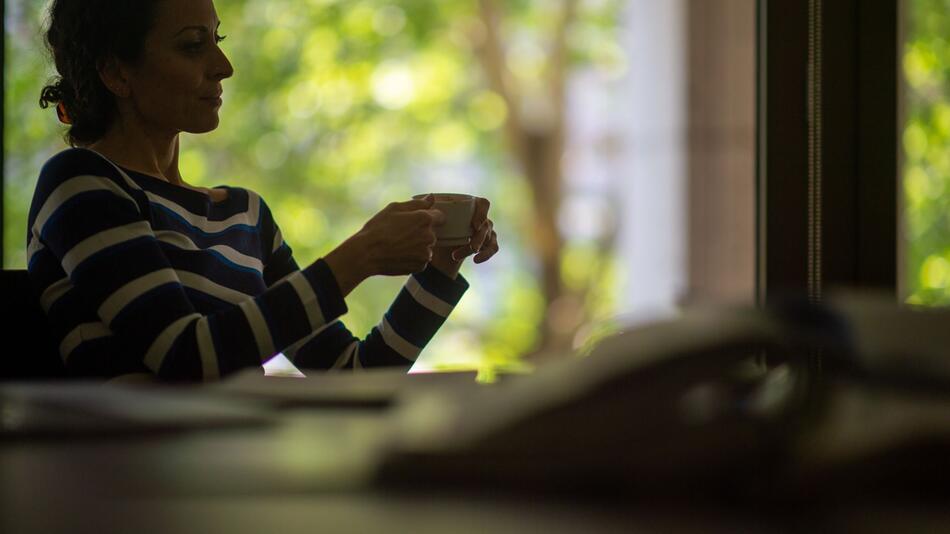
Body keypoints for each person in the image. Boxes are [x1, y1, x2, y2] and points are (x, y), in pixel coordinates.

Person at [27, 0, 499, 381]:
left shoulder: (246, 215)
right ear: (116, 73)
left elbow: (353, 376)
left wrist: (440, 267)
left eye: (218, 39)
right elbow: (186, 355)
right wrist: (363, 255)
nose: (224, 66)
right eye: (193, 46)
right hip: (132, 482)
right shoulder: (80, 183)